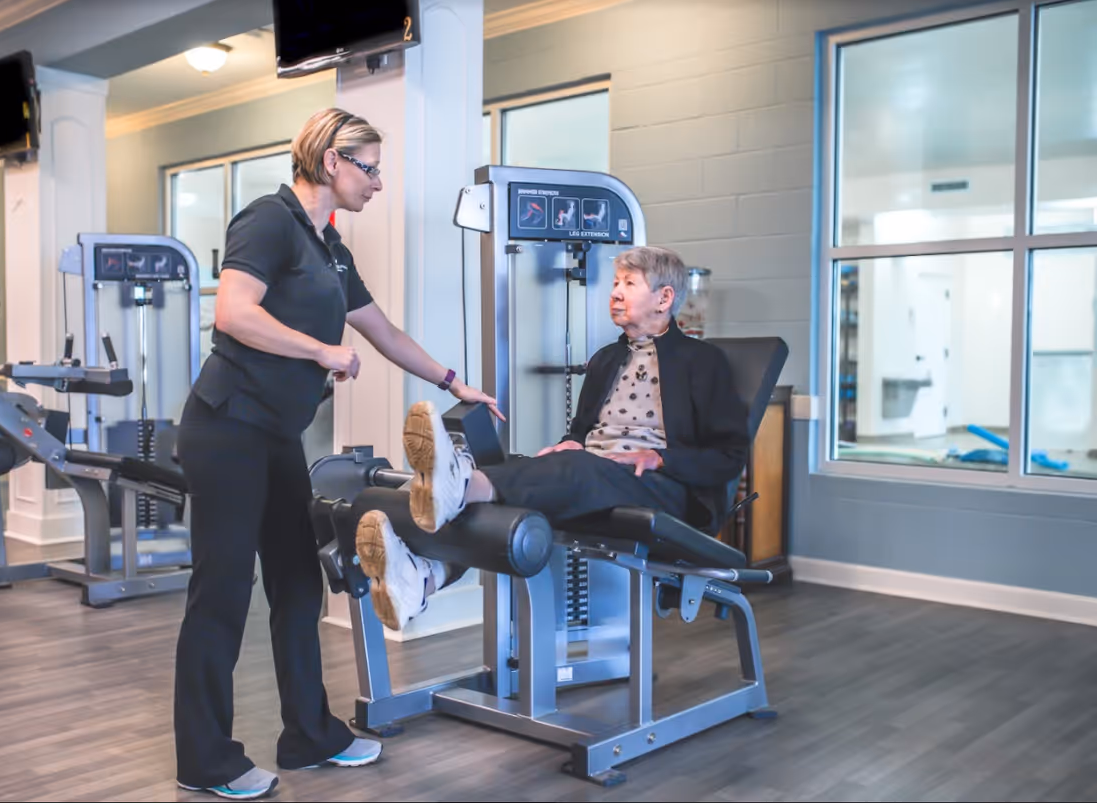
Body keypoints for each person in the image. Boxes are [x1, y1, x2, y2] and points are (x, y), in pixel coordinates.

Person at [173, 107, 500, 801]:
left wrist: (453, 381)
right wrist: (322, 350)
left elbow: (381, 329)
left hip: (273, 434)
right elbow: (232, 312)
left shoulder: (328, 246)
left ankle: (309, 733)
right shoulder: (268, 220)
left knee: (296, 582)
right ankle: (205, 757)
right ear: (330, 162)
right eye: (370, 167)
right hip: (226, 426)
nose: (378, 182)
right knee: (223, 591)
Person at [355, 245, 750, 633]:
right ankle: (426, 576)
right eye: (615, 282)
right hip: (598, 474)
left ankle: (458, 486)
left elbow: (730, 455)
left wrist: (661, 458)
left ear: (664, 298)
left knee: (564, 471)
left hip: (663, 488)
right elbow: (580, 433)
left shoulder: (703, 361)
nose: (614, 292)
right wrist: (569, 443)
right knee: (513, 468)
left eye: (629, 283)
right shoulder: (606, 360)